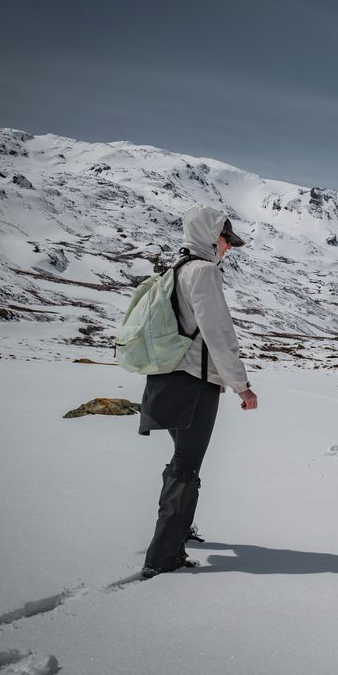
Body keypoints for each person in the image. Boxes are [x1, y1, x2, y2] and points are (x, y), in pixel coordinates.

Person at [137, 204, 258, 579]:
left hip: (166, 378)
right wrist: (241, 385)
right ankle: (163, 554)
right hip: (195, 383)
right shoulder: (204, 272)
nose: (229, 247)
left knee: (181, 459)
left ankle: (179, 529)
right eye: (226, 238)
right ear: (210, 235)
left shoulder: (177, 268)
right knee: (187, 466)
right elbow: (217, 333)